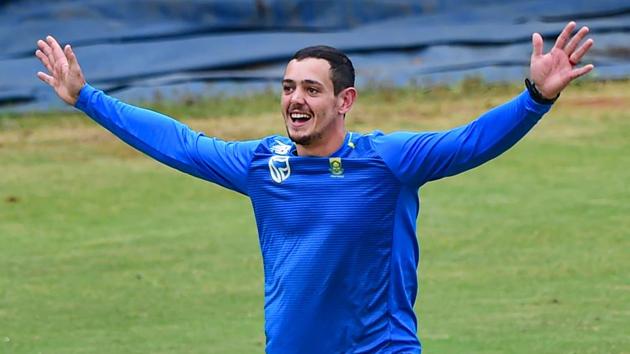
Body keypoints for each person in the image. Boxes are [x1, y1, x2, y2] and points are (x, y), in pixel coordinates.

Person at [35, 21, 593, 353]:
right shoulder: (262, 164)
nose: (295, 100)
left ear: (343, 101)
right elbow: (179, 142)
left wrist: (534, 99)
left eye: (310, 89)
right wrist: (88, 98)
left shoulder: (387, 161)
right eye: (287, 88)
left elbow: (470, 141)